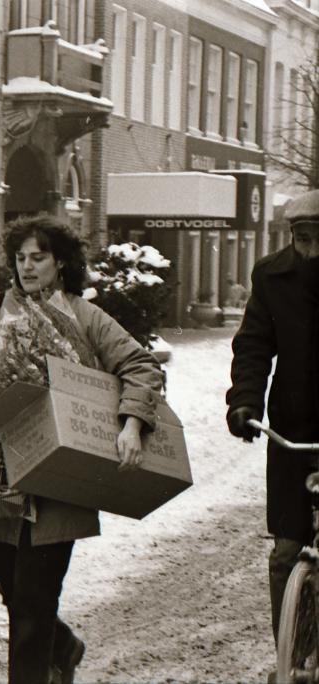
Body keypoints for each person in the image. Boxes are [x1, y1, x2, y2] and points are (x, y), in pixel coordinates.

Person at [0, 215, 164, 684]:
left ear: (61, 262)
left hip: (59, 478)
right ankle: (63, 647)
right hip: (1, 474)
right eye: (20, 258)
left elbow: (141, 366)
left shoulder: (83, 315)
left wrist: (132, 423)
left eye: (38, 257)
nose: (27, 267)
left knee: (34, 600)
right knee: (7, 584)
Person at [226, 188, 319, 653]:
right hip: (293, 435)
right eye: (302, 240)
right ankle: (290, 654)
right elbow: (254, 344)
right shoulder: (272, 275)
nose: (311, 252)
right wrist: (245, 402)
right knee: (285, 552)